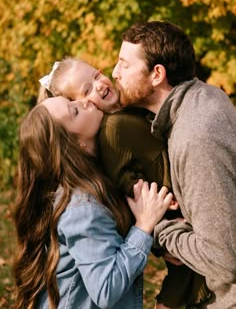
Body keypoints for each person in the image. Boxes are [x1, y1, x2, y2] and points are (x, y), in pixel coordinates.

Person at [38, 58, 210, 308]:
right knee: (181, 273)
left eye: (97, 75)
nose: (97, 87)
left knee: (183, 270)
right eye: (85, 91)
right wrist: (152, 217)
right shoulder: (112, 130)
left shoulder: (126, 110)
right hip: (159, 201)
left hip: (165, 200)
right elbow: (126, 185)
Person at [112, 20, 236, 309]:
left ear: (157, 74)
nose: (115, 73)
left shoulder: (196, 138)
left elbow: (224, 260)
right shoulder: (205, 95)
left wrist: (162, 230)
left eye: (124, 65)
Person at [13, 95, 174, 309]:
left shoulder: (98, 179)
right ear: (75, 144)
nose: (85, 101)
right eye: (75, 111)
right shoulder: (83, 207)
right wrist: (144, 226)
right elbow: (106, 289)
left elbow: (111, 242)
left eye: (73, 100)